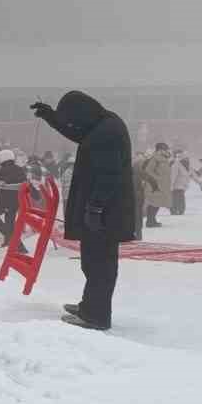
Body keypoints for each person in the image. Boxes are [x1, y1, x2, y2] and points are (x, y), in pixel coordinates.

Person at [32, 91, 133, 331]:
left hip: (105, 211)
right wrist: (52, 118)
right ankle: (90, 306)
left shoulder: (108, 133)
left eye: (72, 119)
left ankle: (96, 316)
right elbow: (81, 134)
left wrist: (96, 207)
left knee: (100, 263)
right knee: (92, 261)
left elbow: (110, 175)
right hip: (101, 208)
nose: (73, 125)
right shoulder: (102, 124)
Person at [141, 143, 173, 228]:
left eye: (166, 149)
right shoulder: (155, 159)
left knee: (158, 202)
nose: (166, 151)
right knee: (154, 202)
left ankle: (152, 220)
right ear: (159, 150)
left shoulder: (164, 158)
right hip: (154, 184)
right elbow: (148, 170)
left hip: (162, 184)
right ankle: (150, 221)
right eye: (164, 149)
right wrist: (158, 178)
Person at [169, 150, 192, 215]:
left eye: (183, 156)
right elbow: (173, 175)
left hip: (182, 185)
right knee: (176, 198)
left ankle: (180, 210)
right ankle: (175, 210)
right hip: (176, 185)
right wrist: (171, 185)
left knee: (180, 198)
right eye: (179, 156)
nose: (183, 157)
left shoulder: (186, 164)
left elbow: (190, 174)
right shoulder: (176, 164)